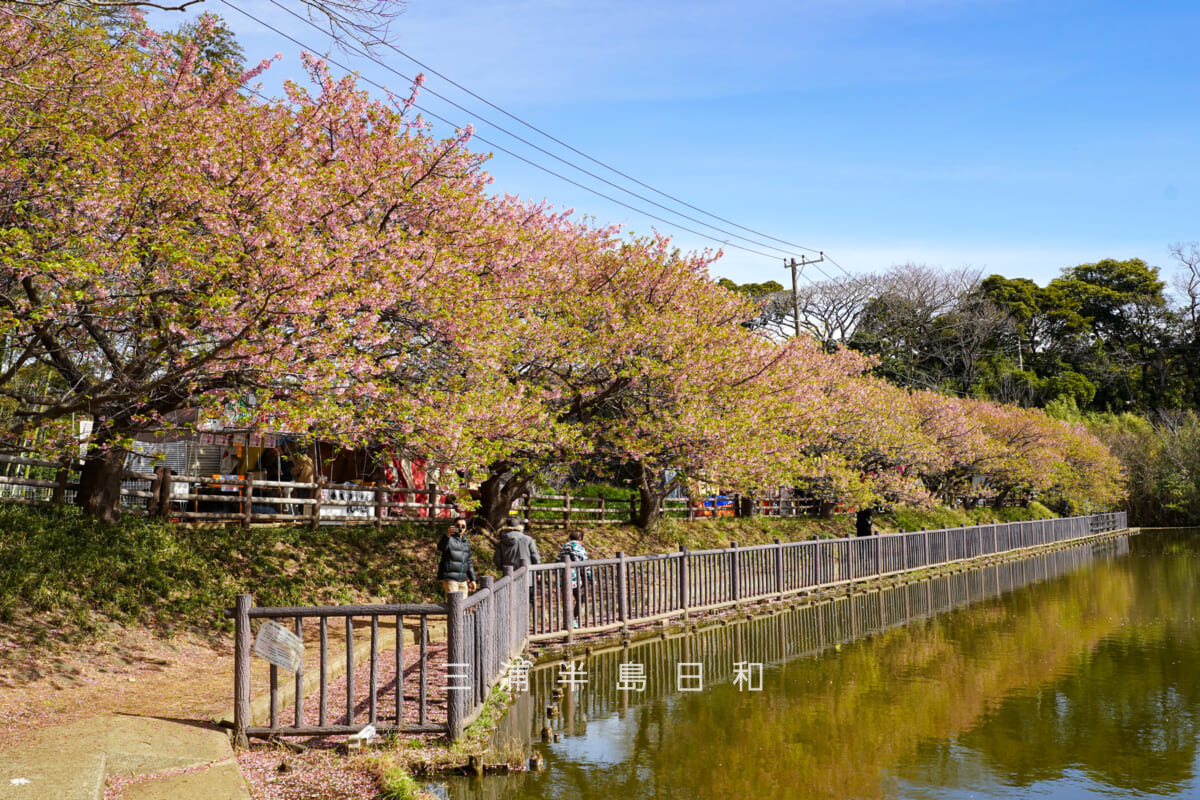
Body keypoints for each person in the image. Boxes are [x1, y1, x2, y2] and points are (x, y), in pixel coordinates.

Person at [437, 517, 477, 596]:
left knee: (463, 605)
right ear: (454, 526)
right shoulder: (449, 538)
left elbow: (469, 561)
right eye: (458, 525)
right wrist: (447, 534)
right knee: (454, 603)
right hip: (450, 578)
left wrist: (472, 579)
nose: (460, 528)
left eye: (463, 526)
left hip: (463, 580)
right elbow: (440, 547)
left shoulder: (466, 541)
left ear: (465, 528)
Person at [558, 530, 589, 626]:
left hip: (564, 576)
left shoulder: (564, 547)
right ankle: (573, 619)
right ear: (580, 539)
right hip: (575, 578)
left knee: (568, 600)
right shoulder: (579, 548)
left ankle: (568, 620)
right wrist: (589, 576)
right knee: (581, 598)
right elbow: (585, 562)